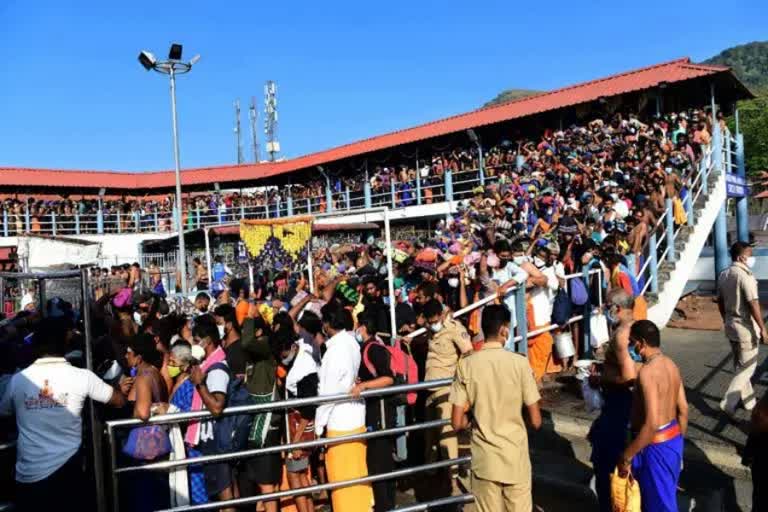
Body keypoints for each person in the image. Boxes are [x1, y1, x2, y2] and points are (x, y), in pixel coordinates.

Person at [0, 318, 129, 511]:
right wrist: (118, 387)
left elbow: (4, 411)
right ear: (64, 343)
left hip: (28, 476)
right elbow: (118, 401)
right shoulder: (82, 377)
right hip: (68, 473)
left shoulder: (18, 380)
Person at [450, 304, 542, 511]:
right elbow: (536, 421)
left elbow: (456, 423)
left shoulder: (466, 364)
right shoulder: (520, 363)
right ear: (504, 329)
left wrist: (473, 418)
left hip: (485, 460)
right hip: (514, 457)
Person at [618, 320, 688, 512]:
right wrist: (679, 448)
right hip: (672, 442)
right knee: (664, 499)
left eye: (632, 342)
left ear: (641, 343)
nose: (631, 347)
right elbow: (683, 409)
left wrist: (626, 456)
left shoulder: (647, 373)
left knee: (658, 506)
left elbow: (651, 425)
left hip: (654, 448)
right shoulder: (671, 365)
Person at [316, 302, 374, 512]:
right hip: (355, 416)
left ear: (328, 323)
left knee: (343, 478)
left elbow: (328, 393)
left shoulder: (335, 350)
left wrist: (318, 425)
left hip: (340, 420)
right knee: (356, 473)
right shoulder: (351, 345)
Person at [588, 288, 638, 512]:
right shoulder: (638, 328)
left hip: (619, 406)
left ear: (616, 308)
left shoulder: (620, 335)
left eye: (608, 306)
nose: (606, 310)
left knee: (606, 466)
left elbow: (629, 376)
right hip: (630, 406)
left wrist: (601, 379)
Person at [422, 298, 473, 494]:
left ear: (442, 315)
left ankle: (452, 481)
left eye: (434, 319)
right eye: (429, 321)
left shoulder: (454, 328)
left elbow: (468, 353)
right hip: (430, 387)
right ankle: (433, 472)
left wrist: (463, 385)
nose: (432, 324)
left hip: (446, 388)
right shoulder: (430, 329)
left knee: (446, 436)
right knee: (430, 436)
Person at [187, 316, 236, 511]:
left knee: (225, 496)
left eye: (196, 340)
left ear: (207, 341)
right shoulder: (207, 365)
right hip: (210, 440)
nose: (194, 344)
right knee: (218, 494)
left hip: (217, 440)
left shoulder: (216, 369)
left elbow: (217, 407)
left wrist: (199, 384)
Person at [351, 310, 395, 512]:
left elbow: (388, 378)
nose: (355, 329)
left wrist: (364, 386)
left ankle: (385, 506)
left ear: (364, 327)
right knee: (380, 463)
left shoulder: (374, 349)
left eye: (357, 325)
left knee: (380, 464)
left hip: (381, 414)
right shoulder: (367, 347)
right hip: (374, 412)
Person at [717, 241, 767, 418]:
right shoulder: (745, 276)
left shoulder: (724, 274)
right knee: (748, 368)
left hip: (731, 326)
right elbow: (753, 303)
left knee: (740, 365)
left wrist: (726, 320)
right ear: (741, 257)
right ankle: (728, 403)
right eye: (750, 254)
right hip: (745, 328)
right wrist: (763, 328)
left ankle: (750, 402)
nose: (752, 258)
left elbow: (720, 302)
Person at [747, 391, 768, 511]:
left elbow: (756, 424)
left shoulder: (762, 409)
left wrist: (749, 457)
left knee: (759, 500)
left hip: (761, 462)